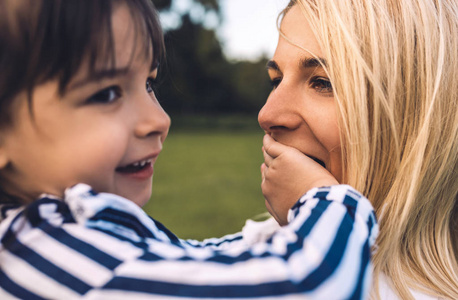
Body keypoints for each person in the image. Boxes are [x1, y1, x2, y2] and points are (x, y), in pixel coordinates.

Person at [0, 0, 378, 299]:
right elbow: (306, 287)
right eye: (108, 92)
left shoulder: (61, 233)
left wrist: (266, 235)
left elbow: (194, 261)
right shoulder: (49, 254)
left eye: (149, 84)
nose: (158, 120)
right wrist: (325, 197)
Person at [255, 0, 458, 299]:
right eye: (277, 81)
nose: (267, 115)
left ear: (415, 115)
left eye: (322, 82)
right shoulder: (259, 246)